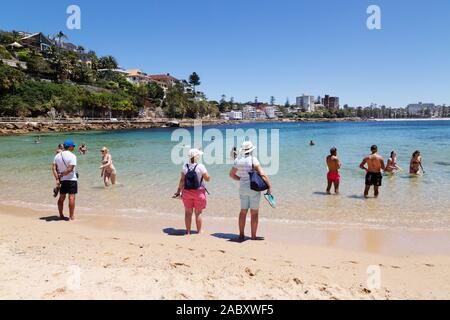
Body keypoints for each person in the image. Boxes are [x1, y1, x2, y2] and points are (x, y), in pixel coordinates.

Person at [229, 141, 272, 241]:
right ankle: (253, 236)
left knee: (243, 212)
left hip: (243, 188)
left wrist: (240, 179)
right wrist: (269, 186)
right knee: (254, 213)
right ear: (251, 150)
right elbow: (262, 174)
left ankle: (241, 235)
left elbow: (231, 175)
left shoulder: (238, 160)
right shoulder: (253, 160)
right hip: (254, 188)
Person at [173, 149, 211, 235]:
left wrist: (178, 191)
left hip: (186, 192)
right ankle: (199, 231)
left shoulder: (185, 166)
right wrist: (209, 177)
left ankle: (188, 231)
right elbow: (207, 179)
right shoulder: (200, 166)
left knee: (188, 213)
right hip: (199, 192)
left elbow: (182, 180)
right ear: (197, 157)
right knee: (198, 213)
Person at [52, 140, 78, 220]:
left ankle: (61, 215)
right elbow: (70, 169)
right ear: (69, 147)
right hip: (71, 179)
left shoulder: (57, 156)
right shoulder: (72, 156)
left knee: (62, 197)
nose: (74, 147)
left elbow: (53, 168)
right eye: (73, 146)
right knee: (71, 197)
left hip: (62, 180)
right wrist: (62, 174)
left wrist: (58, 178)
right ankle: (71, 216)